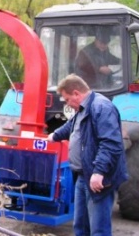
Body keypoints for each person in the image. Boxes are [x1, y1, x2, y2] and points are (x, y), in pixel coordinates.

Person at [47, 74, 128, 236]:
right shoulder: (82, 109)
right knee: (80, 226)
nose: (68, 104)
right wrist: (54, 136)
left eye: (67, 99)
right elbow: (72, 126)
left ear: (77, 93)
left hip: (98, 178)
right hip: (83, 176)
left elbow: (111, 143)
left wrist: (99, 172)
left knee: (98, 229)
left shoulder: (101, 107)